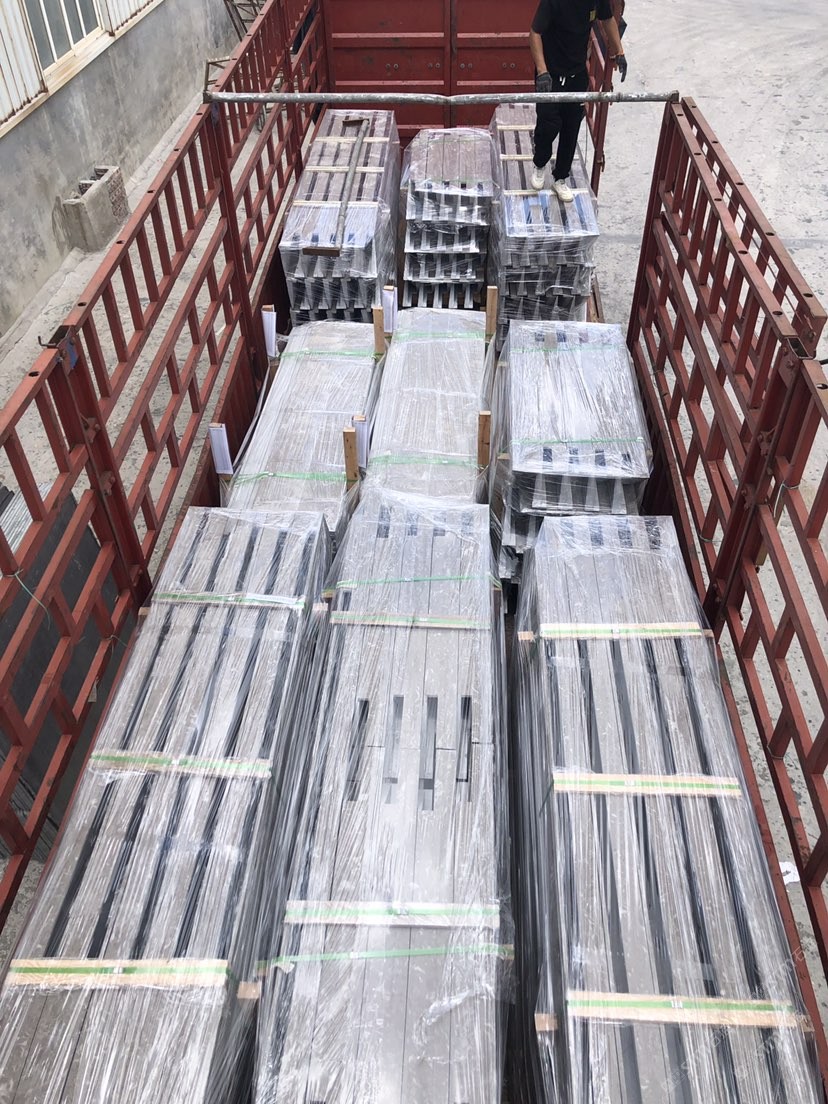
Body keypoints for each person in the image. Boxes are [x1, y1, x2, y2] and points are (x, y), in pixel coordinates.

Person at [529, 0, 627, 201]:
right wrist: (542, 71)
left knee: (571, 126)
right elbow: (535, 33)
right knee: (548, 123)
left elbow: (608, 19)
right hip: (551, 74)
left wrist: (619, 52)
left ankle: (560, 178)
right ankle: (540, 164)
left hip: (577, 73)